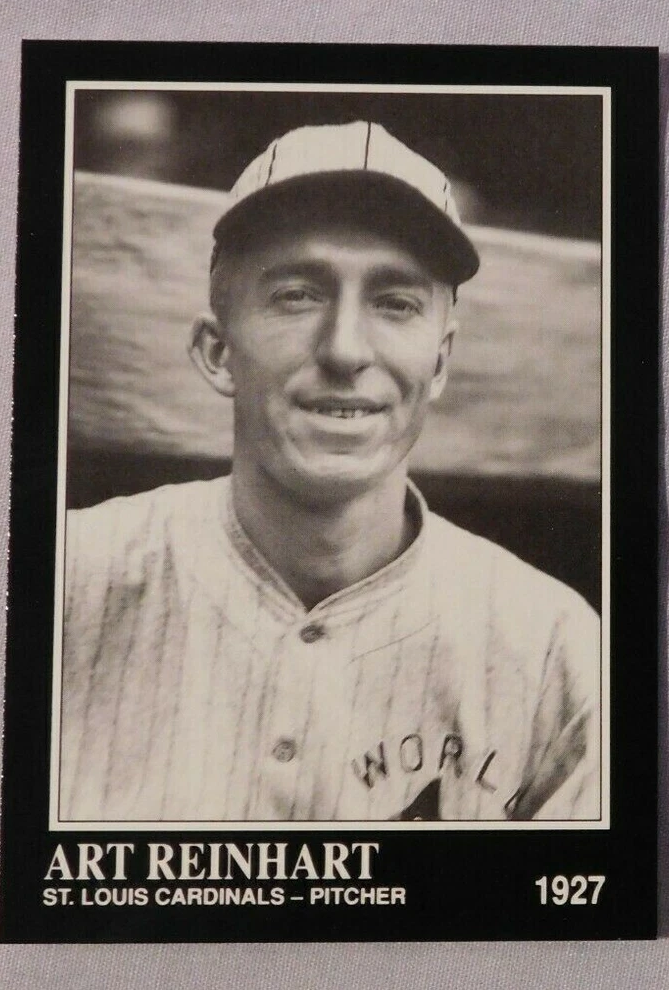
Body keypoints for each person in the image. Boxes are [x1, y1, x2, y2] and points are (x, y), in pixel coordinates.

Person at [59, 121, 600, 823]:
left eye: (395, 303)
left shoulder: (555, 647)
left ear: (438, 363)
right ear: (218, 352)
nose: (346, 350)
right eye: (297, 294)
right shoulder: (64, 582)